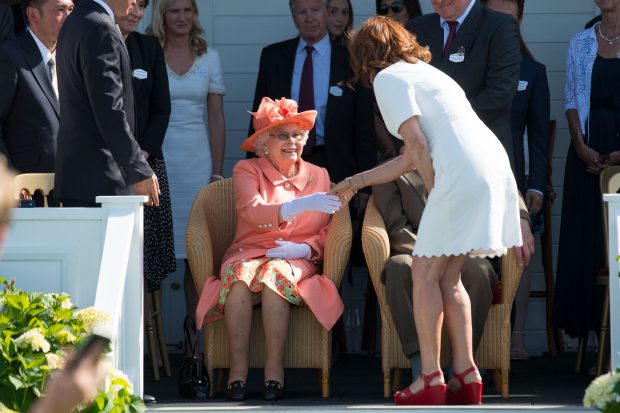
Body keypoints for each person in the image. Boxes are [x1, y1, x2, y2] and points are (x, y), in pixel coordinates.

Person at [330, 17, 526, 406]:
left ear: (363, 56)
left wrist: (435, 189)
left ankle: (431, 379)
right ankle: (467, 375)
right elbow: (409, 156)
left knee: (423, 271)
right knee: (448, 275)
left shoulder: (388, 79)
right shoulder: (427, 73)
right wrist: (355, 181)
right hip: (491, 165)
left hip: (460, 172)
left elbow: (415, 146)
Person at [194, 97, 343, 401]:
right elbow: (252, 211)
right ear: (264, 142)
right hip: (248, 251)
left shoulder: (321, 175)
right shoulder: (247, 170)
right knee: (238, 279)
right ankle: (238, 373)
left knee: (274, 277)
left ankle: (274, 374)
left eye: (298, 135)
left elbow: (330, 231)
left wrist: (303, 250)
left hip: (295, 258)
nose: (292, 142)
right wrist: (298, 205)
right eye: (283, 135)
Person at [148, 0, 226, 342]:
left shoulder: (210, 57)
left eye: (188, 10)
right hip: (157, 167)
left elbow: (216, 118)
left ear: (195, 15)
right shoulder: (148, 51)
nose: (182, 17)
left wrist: (217, 172)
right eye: (174, 10)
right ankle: (151, 348)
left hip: (197, 165)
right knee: (155, 258)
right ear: (162, 16)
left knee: (198, 257)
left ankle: (197, 344)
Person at [482, 0, 550, 361]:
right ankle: (478, 339)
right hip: (475, 180)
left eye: (509, 17)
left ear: (520, 18)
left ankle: (517, 336)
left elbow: (539, 137)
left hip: (518, 183)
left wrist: (536, 185)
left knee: (520, 256)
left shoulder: (533, 71)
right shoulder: (473, 66)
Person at [250, 0, 376, 188]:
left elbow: (364, 127)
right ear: (294, 18)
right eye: (302, 12)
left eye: (315, 10)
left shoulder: (351, 58)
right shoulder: (273, 57)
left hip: (336, 165)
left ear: (327, 13)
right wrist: (254, 171)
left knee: (335, 219)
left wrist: (366, 186)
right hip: (281, 164)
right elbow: (258, 119)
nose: (310, 18)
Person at [115, 0, 176, 385]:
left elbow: (161, 108)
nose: (137, 10)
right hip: (104, 167)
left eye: (144, 4)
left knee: (144, 266)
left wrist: (143, 154)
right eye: (132, 2)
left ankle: (141, 363)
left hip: (146, 166)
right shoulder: (93, 40)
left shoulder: (148, 48)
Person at [552, 0, 620, 341]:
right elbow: (571, 99)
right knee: (586, 239)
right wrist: (580, 145)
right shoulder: (580, 42)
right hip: (586, 153)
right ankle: (587, 326)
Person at [54, 0, 159, 208]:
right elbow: (110, 109)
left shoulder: (76, 20)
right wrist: (138, 169)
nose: (135, 2)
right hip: (102, 183)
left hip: (82, 181)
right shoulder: (100, 26)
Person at [406, 0, 521, 175]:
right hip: (426, 159)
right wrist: (409, 138)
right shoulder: (416, 28)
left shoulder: (499, 26)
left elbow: (499, 95)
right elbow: (404, 90)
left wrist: (439, 131)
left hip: (480, 155)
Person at [0, 0, 73, 176]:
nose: (69, 17)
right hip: (28, 190)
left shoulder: (74, 58)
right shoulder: (9, 56)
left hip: (73, 186)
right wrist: (10, 179)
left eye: (71, 9)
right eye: (60, 10)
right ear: (33, 15)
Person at [374, 0, 422, 159]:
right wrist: (390, 147)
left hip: (428, 135)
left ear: (410, 8)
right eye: (384, 9)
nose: (390, 14)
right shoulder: (375, 52)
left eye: (397, 7)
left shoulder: (426, 45)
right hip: (393, 140)